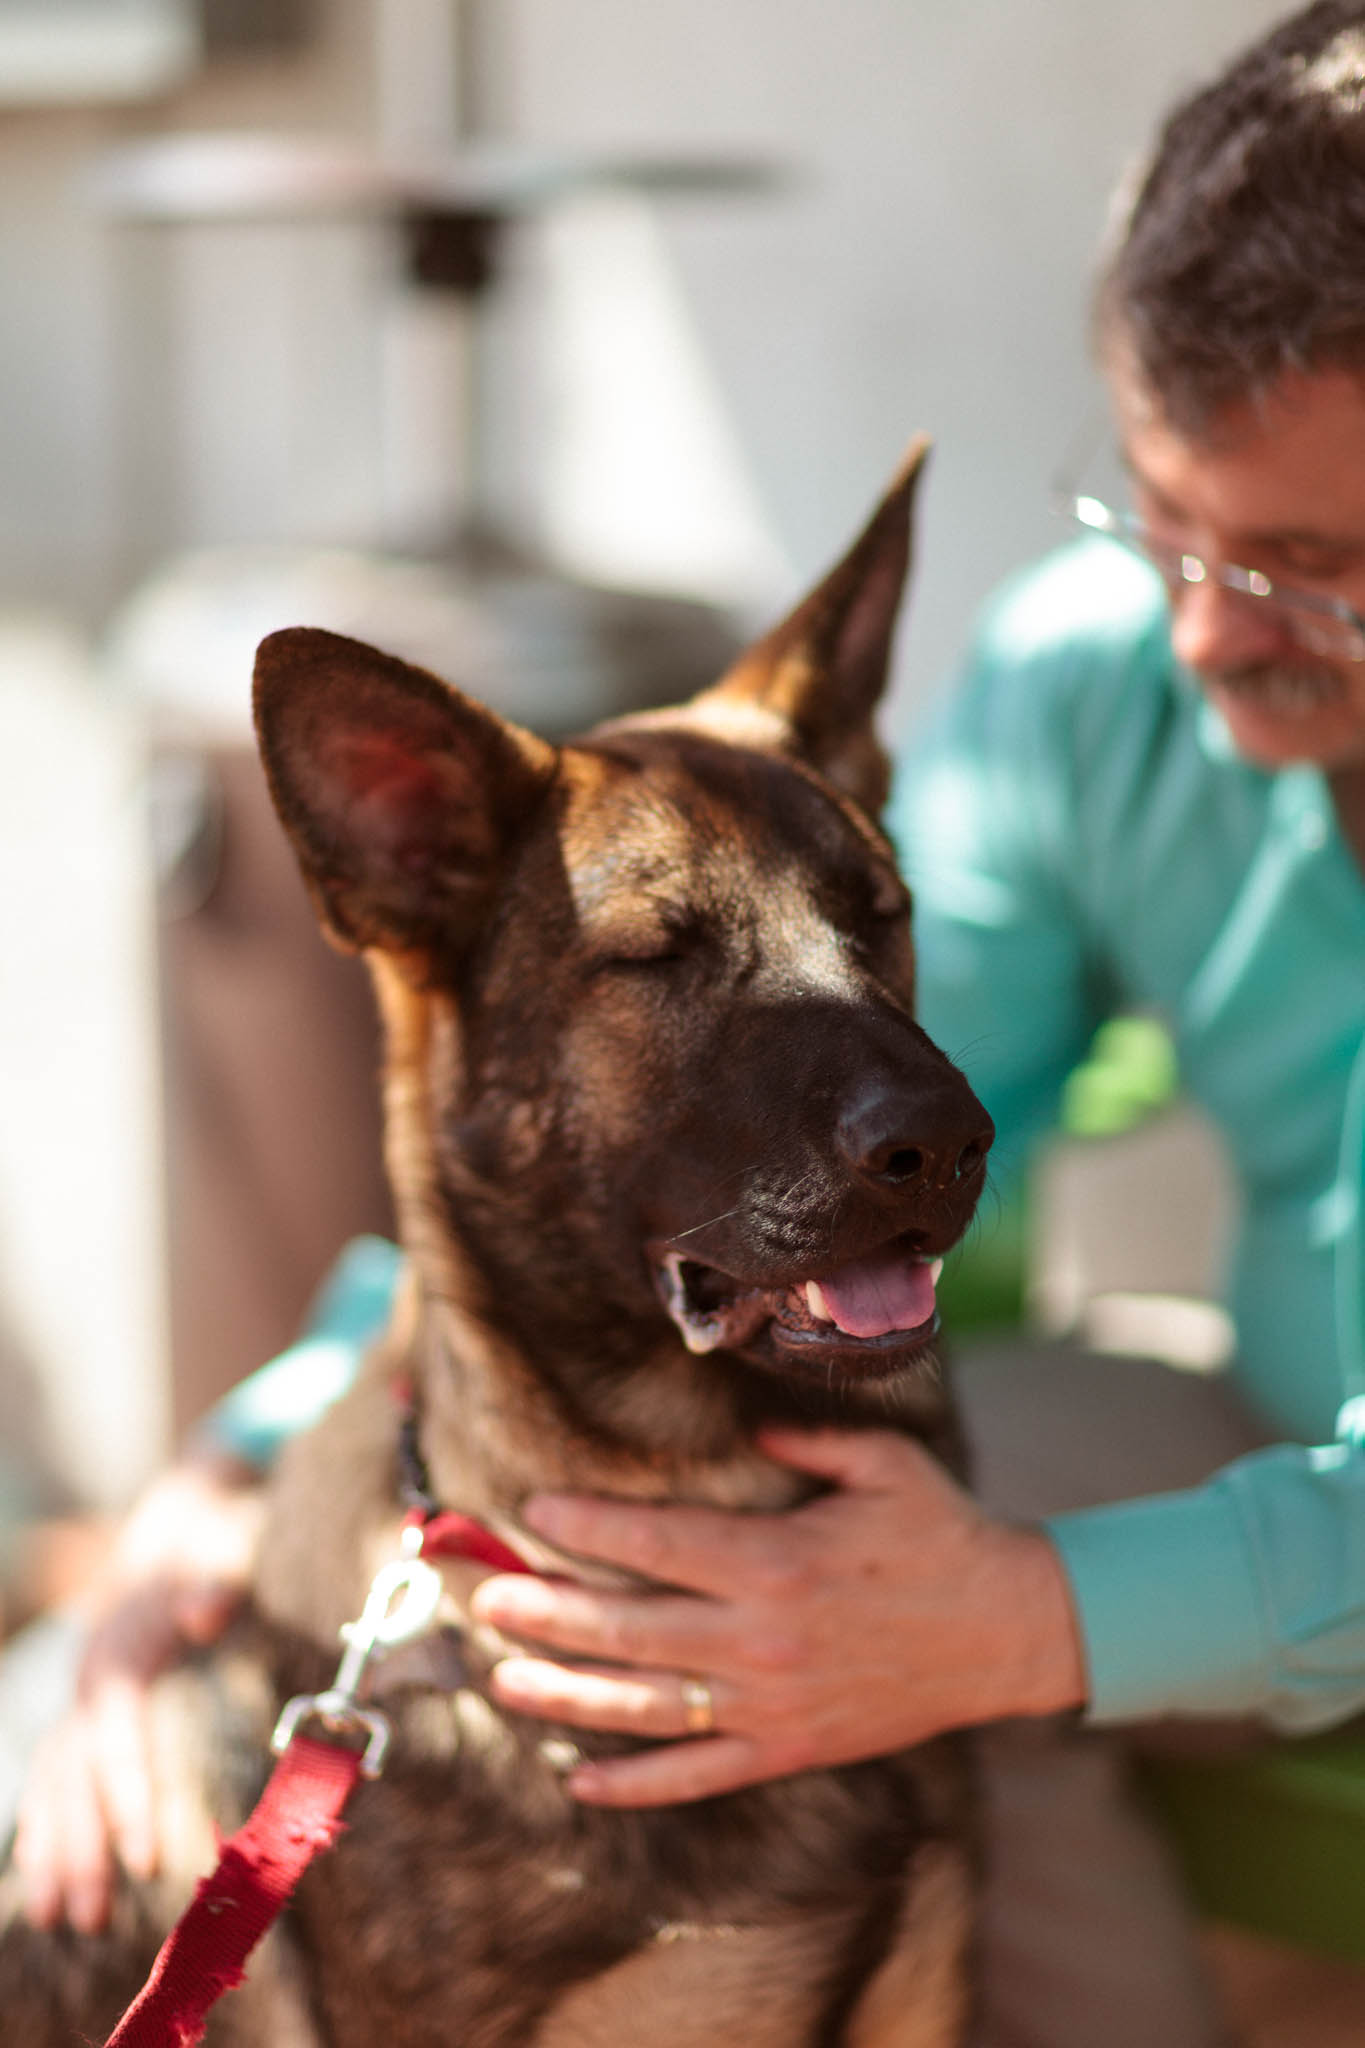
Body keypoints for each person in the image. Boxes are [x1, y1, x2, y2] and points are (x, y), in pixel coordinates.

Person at [16, 4, 1365, 2039]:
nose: (1200, 629)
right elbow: (772, 1107)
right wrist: (219, 1485)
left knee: (930, 1603)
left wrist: (1021, 1616)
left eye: (1304, 567)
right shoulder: (1103, 685)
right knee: (813, 1565)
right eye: (1165, 523)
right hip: (1274, 1417)